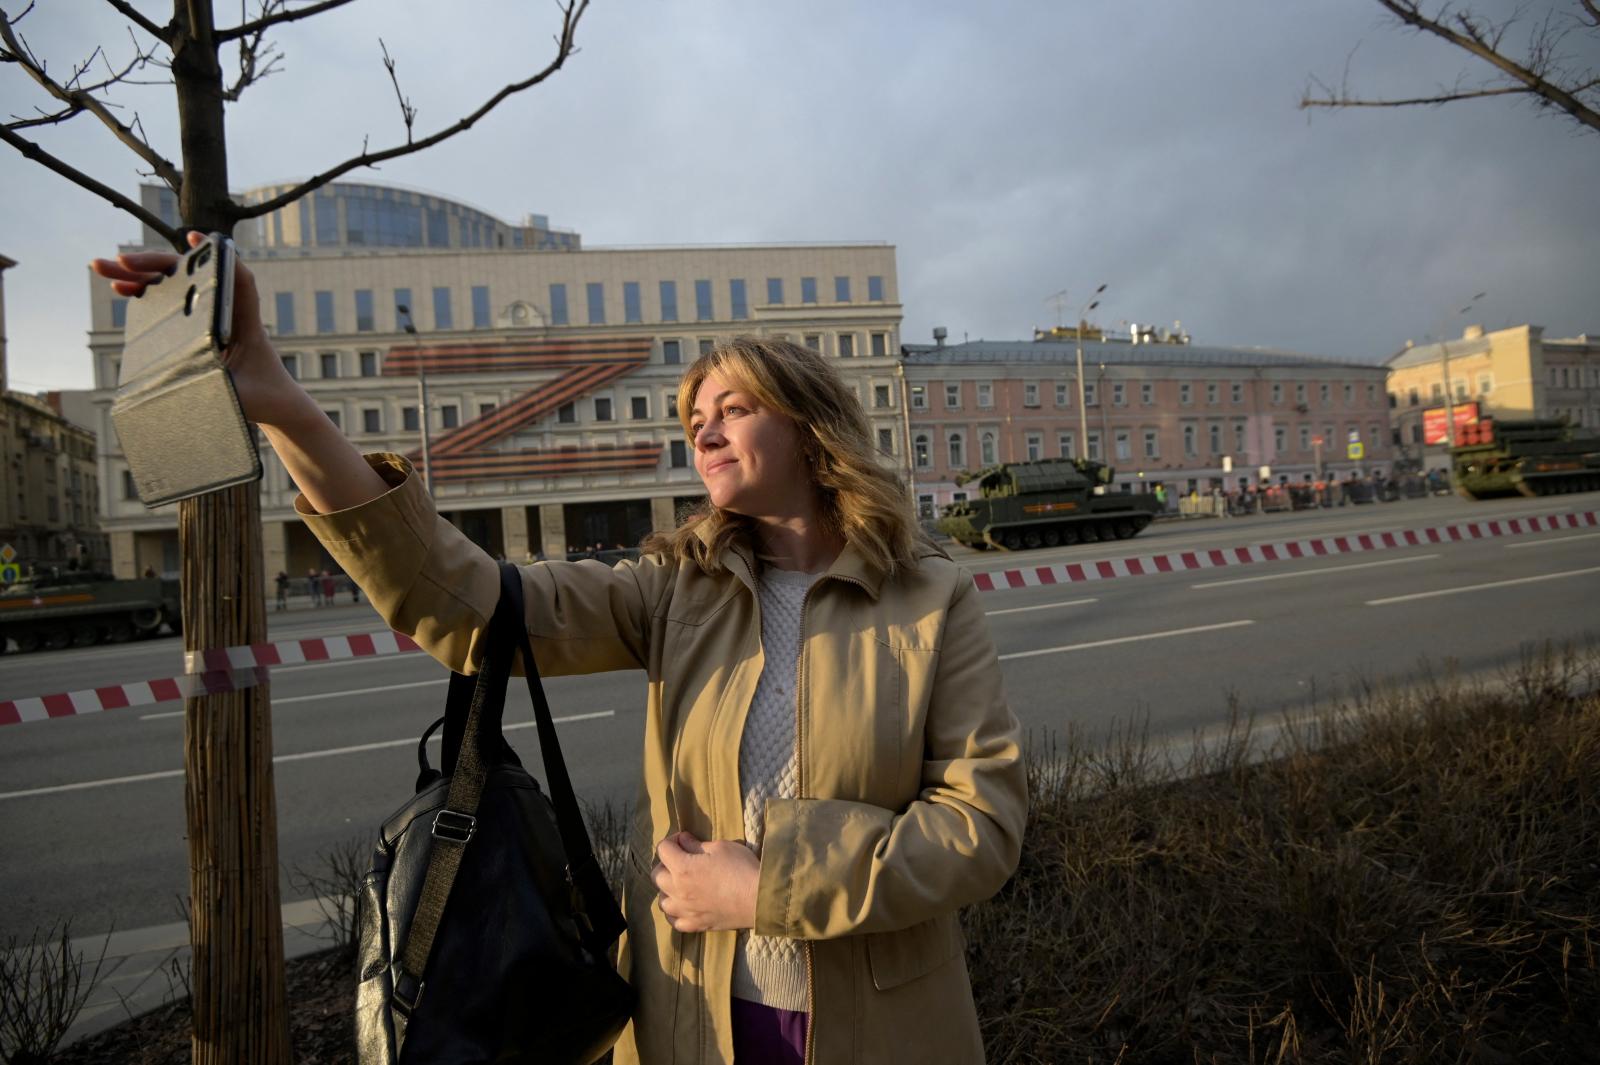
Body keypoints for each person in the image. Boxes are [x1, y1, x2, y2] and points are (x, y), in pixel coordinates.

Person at [95, 236, 1026, 1065]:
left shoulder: (929, 597)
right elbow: (461, 604)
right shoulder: (676, 589)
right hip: (688, 1021)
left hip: (881, 1029)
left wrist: (769, 884)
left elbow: (981, 827)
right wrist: (283, 403)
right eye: (692, 414)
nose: (701, 427)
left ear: (811, 426)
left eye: (732, 407)